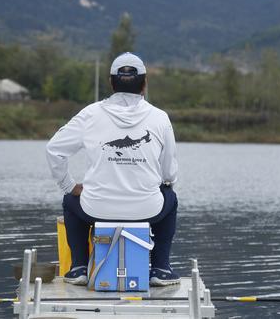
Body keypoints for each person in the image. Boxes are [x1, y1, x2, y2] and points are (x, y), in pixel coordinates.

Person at [46, 52, 180, 287]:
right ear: (145, 83)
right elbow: (169, 174)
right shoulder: (160, 118)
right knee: (170, 197)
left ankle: (78, 268)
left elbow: (54, 149)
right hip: (148, 211)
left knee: (69, 199)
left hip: (95, 209)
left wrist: (69, 185)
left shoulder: (89, 115)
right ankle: (160, 269)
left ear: (110, 83)